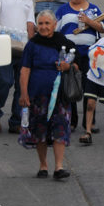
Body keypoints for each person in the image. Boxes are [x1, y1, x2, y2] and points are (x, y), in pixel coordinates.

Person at [19, 10, 77, 180]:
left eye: (47, 23)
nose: (44, 27)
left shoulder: (64, 42)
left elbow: (77, 65)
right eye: (41, 24)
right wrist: (24, 93)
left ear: (55, 25)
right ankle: (43, 165)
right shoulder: (32, 44)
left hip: (60, 96)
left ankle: (59, 167)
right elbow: (25, 69)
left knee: (60, 129)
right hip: (38, 95)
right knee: (40, 131)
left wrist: (68, 67)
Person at [0, 0, 44, 134]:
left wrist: (33, 46)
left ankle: (16, 120)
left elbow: (30, 24)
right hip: (4, 44)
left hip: (23, 47)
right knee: (5, 81)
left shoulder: (28, 1)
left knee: (22, 85)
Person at [56, 0, 104, 132]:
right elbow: (56, 31)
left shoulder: (93, 9)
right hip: (69, 55)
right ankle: (71, 121)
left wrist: (88, 21)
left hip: (89, 54)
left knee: (89, 87)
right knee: (69, 86)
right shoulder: (62, 10)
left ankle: (89, 121)